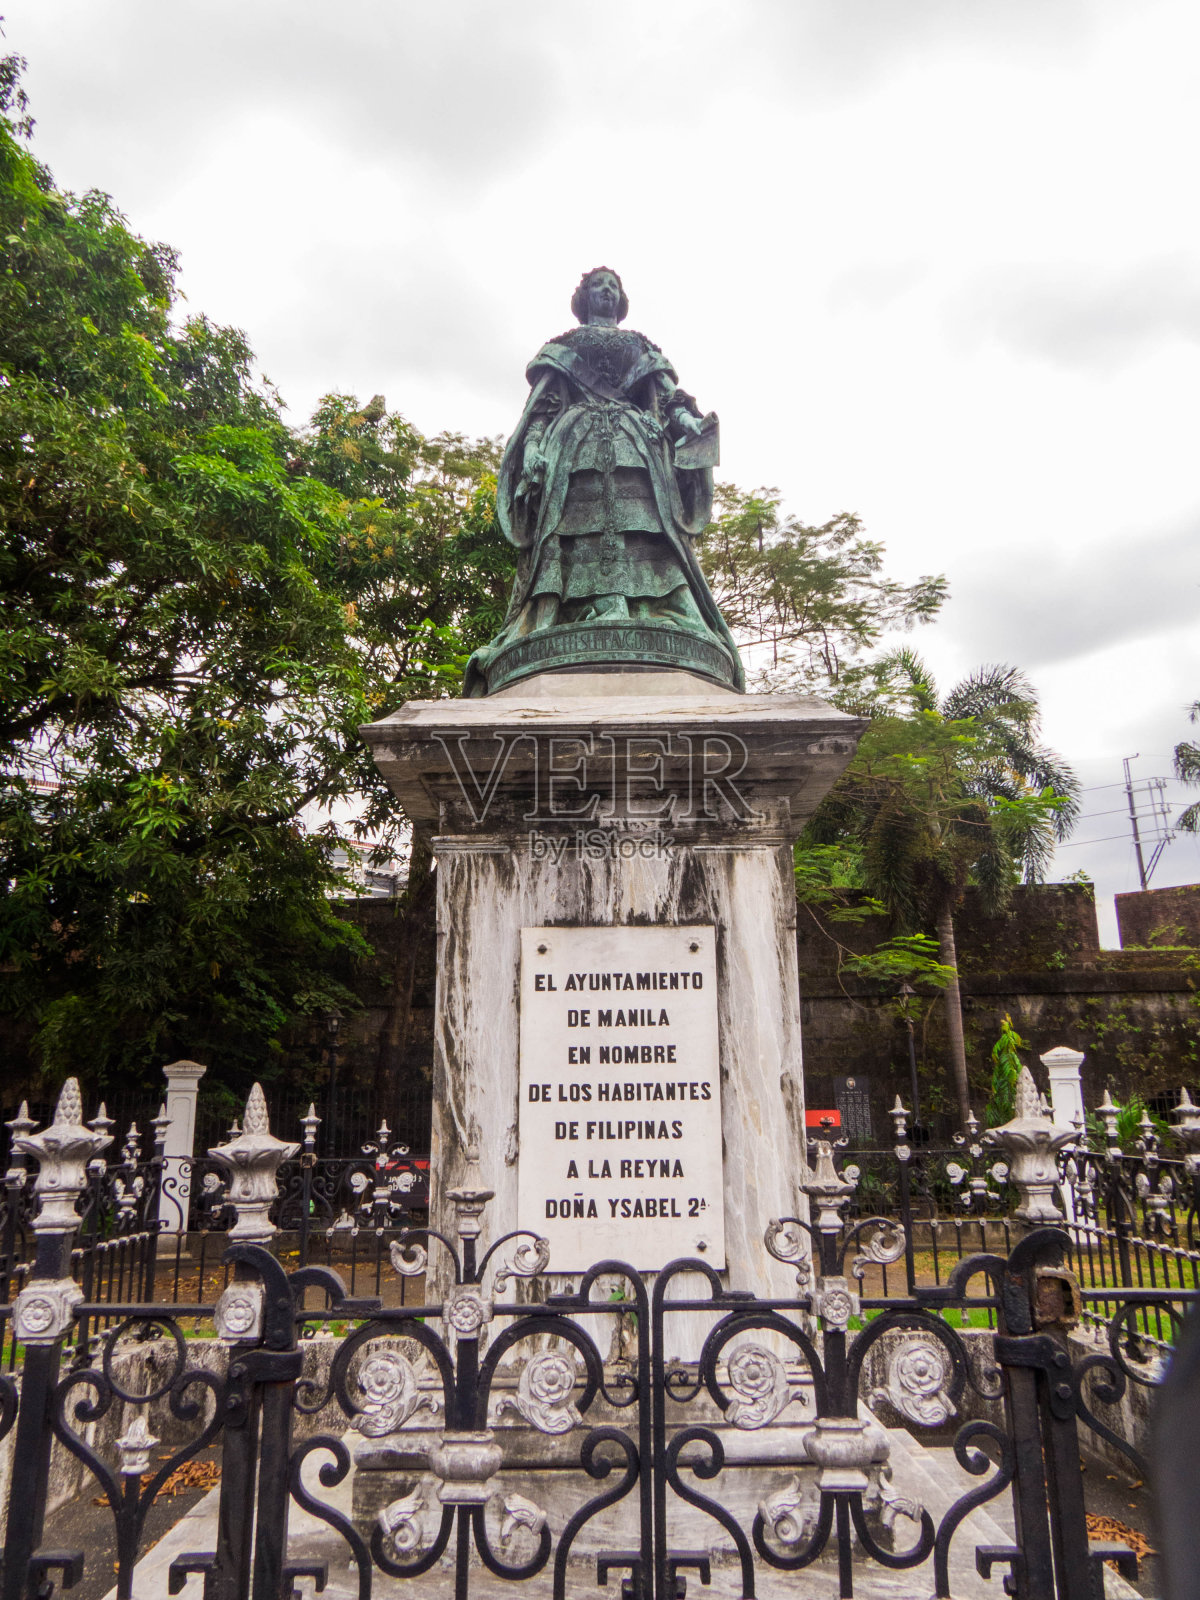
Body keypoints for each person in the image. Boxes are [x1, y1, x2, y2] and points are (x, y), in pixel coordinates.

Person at [464, 267, 744, 695]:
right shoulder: (563, 349)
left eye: (613, 287)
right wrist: (535, 448)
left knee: (647, 527)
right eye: (599, 286)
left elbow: (668, 400)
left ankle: (657, 605)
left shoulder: (640, 347)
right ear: (583, 298)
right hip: (574, 448)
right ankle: (574, 608)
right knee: (571, 527)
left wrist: (689, 423)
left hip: (637, 447)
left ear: (622, 298)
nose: (607, 292)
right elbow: (542, 410)